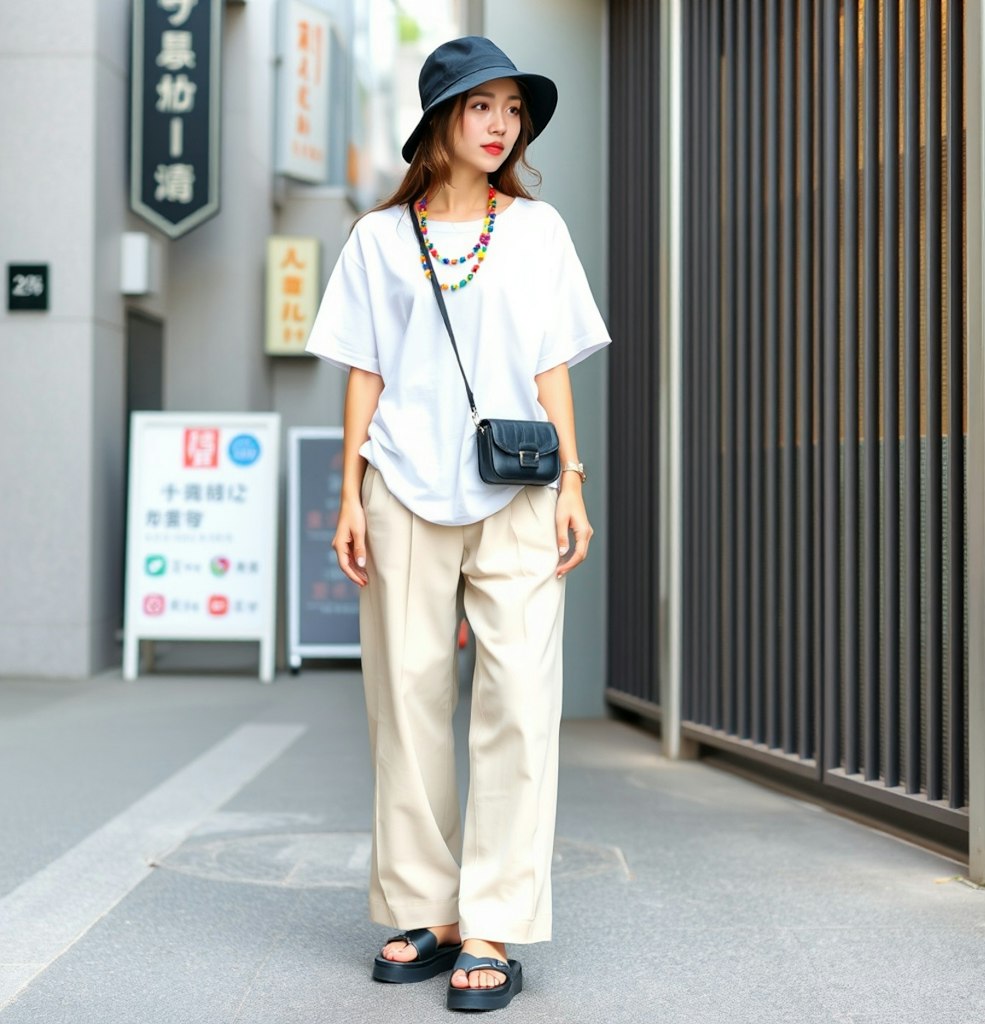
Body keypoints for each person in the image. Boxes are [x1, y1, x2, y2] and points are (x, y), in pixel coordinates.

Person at [305, 35, 610, 1012]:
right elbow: (365, 368)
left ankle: (493, 921)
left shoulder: (538, 230)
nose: (500, 126)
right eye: (482, 107)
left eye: (513, 110)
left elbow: (552, 361)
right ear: (440, 118)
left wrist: (571, 479)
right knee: (406, 700)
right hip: (401, 488)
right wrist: (350, 491)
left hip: (517, 489)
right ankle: (427, 910)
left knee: (518, 705)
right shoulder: (376, 239)